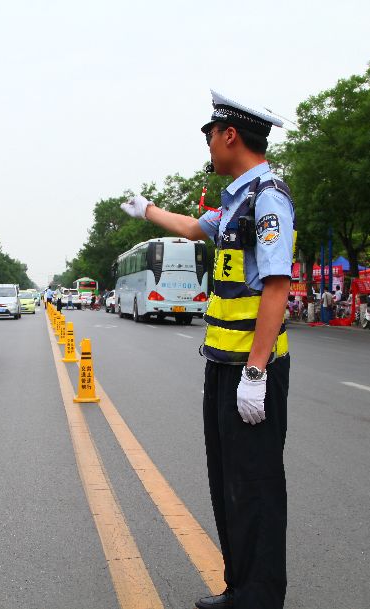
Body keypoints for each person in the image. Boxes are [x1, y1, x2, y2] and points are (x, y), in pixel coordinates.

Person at [121, 90, 292, 609]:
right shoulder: (239, 198)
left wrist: (257, 373)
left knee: (255, 487)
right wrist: (147, 210)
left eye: (210, 136)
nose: (209, 146)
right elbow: (196, 228)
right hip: (222, 364)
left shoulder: (268, 197)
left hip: (250, 367)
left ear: (230, 135)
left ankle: (259, 598)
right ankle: (239, 588)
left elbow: (277, 286)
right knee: (228, 485)